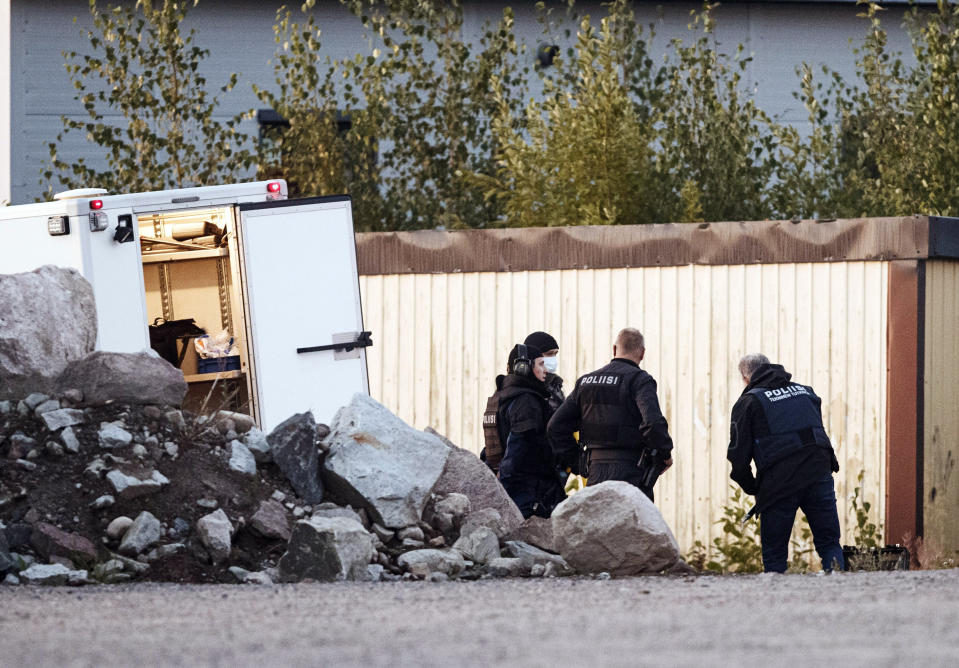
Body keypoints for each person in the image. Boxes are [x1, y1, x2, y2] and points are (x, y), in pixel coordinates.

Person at [728, 353, 844, 573]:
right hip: (818, 471)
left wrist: (752, 487)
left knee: (774, 553)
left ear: (745, 378)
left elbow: (738, 456)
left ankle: (776, 602)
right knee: (829, 543)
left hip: (779, 481)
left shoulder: (749, 402)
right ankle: (839, 591)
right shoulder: (806, 392)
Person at [547, 327, 673, 501]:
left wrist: (579, 463)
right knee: (631, 526)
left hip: (595, 472)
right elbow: (653, 423)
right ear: (642, 353)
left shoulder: (585, 382)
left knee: (596, 525)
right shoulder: (640, 380)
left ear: (614, 349)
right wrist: (665, 454)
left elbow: (555, 426)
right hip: (630, 474)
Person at [486, 343, 567, 518]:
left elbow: (492, 448)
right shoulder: (527, 401)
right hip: (528, 493)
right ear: (523, 367)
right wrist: (502, 487)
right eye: (540, 364)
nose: (545, 370)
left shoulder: (498, 398)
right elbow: (518, 446)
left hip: (509, 489)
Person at [523, 331, 565, 417]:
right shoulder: (522, 389)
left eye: (555, 353)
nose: (553, 359)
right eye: (549, 354)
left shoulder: (555, 385)